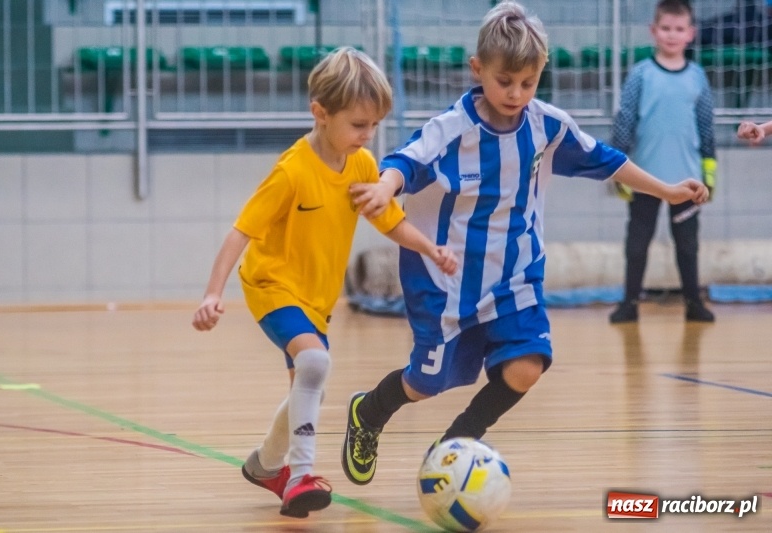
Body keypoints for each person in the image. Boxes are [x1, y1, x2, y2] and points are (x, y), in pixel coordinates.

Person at [339, 0, 709, 487]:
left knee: (528, 364)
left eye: (527, 83)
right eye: (504, 81)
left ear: (540, 75)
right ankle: (369, 411)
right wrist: (384, 189)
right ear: (478, 70)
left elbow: (607, 159)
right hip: (444, 278)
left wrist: (665, 188)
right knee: (426, 381)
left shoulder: (547, 126)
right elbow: (404, 162)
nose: (516, 93)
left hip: (516, 276)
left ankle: (456, 443)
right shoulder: (452, 130)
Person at [191, 47, 457, 518]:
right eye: (358, 124)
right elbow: (242, 231)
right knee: (314, 363)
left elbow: (389, 221)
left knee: (307, 381)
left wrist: (430, 248)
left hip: (316, 299)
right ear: (320, 113)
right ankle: (300, 476)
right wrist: (213, 293)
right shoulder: (292, 172)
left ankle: (265, 465)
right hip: (271, 285)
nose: (367, 135)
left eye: (374, 125)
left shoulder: (359, 164)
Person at [609, 0, 717, 324]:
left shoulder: (697, 77)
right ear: (654, 32)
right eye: (666, 28)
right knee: (637, 244)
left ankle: (694, 303)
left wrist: (709, 173)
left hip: (687, 180)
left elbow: (706, 127)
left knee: (687, 245)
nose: (672, 35)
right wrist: (619, 172)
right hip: (645, 178)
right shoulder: (640, 75)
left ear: (690, 34)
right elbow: (624, 121)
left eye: (679, 29)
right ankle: (629, 302)